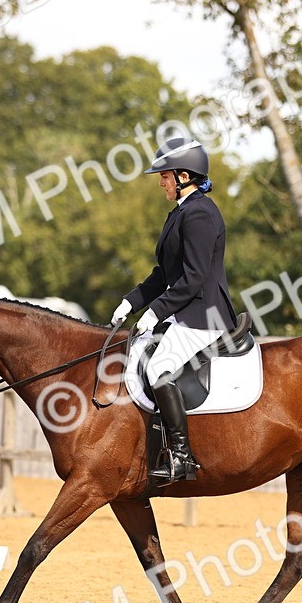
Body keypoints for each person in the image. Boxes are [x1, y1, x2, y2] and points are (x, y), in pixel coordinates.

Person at [111, 136, 238, 485]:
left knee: (159, 367)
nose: (160, 181)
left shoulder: (200, 214)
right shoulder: (181, 212)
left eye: (164, 175)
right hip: (184, 312)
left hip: (203, 315)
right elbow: (166, 274)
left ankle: (182, 457)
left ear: (184, 175)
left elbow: (195, 277)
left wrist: (156, 312)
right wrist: (133, 301)